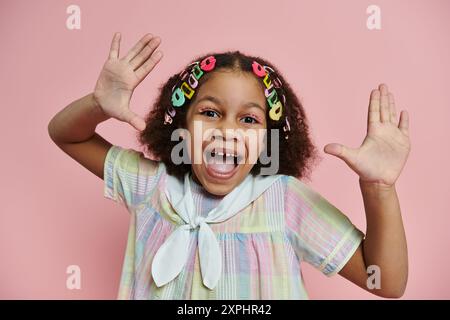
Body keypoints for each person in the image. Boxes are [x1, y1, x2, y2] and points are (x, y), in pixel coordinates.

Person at [48, 33, 410, 299]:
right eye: (209, 113)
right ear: (182, 125)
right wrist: (98, 104)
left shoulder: (284, 202)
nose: (228, 131)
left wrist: (379, 189)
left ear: (268, 139)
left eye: (249, 120)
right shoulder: (152, 187)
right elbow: (67, 135)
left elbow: (385, 281)